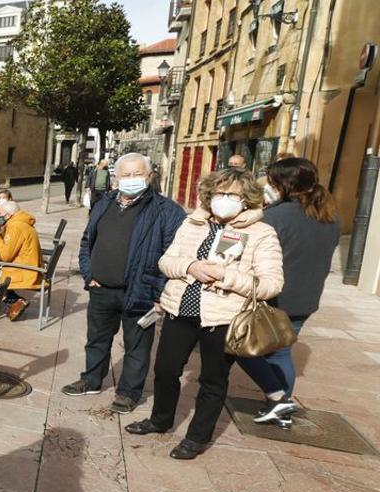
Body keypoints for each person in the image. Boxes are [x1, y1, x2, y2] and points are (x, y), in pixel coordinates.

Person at [124, 168, 284, 460]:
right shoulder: (192, 223)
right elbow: (165, 261)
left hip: (223, 318)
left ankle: (197, 437)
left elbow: (271, 284)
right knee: (165, 370)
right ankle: (160, 420)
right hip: (180, 309)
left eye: (232, 194)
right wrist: (189, 267)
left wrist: (226, 276)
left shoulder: (261, 233)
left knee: (212, 379)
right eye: (219, 193)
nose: (224, 199)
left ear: (246, 198)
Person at [65, 153, 185, 414]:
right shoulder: (104, 203)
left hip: (141, 293)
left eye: (138, 174)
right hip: (101, 289)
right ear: (116, 178)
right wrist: (89, 274)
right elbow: (87, 242)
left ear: (150, 176)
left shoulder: (166, 211)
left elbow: (172, 255)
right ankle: (91, 380)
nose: (132, 180)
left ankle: (128, 393)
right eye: (126, 175)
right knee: (96, 339)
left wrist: (158, 293)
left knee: (137, 347)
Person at [235, 158, 339, 423]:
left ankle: (278, 398)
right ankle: (279, 408)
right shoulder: (329, 216)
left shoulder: (274, 217)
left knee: (239, 347)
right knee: (281, 352)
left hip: (275, 297)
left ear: (283, 184)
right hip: (306, 298)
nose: (268, 186)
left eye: (271, 182)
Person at [0, 201, 42, 320]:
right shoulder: (21, 222)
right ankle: (15, 303)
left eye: (0, 213)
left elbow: (5, 256)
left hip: (24, 270)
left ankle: (15, 301)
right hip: (28, 265)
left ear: (8, 215)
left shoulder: (16, 227)